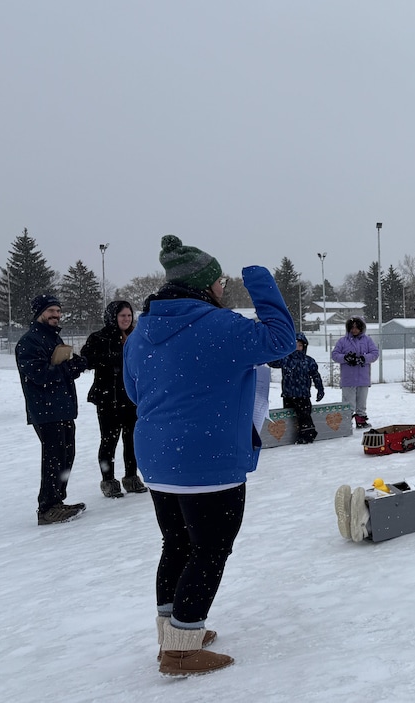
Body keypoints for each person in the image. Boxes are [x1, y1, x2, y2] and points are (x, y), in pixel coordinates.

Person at [124, 235, 295, 676]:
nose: (224, 288)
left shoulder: (142, 330)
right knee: (210, 549)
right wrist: (260, 281)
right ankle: (182, 650)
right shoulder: (221, 327)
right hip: (208, 461)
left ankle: (175, 631)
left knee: (176, 542)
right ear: (205, 284)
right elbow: (281, 341)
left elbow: (132, 391)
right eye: (220, 280)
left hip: (158, 459)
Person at [15, 295, 88, 525]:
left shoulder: (53, 338)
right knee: (54, 458)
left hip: (62, 408)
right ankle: (47, 507)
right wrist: (65, 369)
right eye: (51, 311)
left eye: (58, 311)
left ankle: (57, 501)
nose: (56, 315)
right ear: (39, 314)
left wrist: (76, 365)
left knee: (66, 456)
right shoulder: (30, 342)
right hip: (46, 410)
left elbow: (61, 369)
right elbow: (39, 374)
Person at [81, 300, 146, 498]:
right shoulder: (99, 337)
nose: (126, 319)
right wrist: (116, 356)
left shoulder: (137, 336)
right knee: (109, 440)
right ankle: (108, 480)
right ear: (112, 317)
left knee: (132, 439)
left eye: (128, 315)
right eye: (122, 315)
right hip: (107, 398)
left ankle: (131, 477)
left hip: (131, 397)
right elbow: (87, 360)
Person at [268, 333, 325, 444]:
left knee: (304, 416)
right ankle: (290, 435)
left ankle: (307, 435)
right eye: (294, 345)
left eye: (299, 345)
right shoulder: (285, 359)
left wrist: (320, 389)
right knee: (289, 416)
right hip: (288, 394)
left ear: (304, 346)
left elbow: (315, 375)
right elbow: (271, 362)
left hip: (303, 394)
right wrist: (272, 347)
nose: (297, 348)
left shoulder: (308, 361)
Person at [330, 316, 380, 429]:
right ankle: (346, 423)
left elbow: (375, 353)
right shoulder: (342, 341)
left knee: (361, 402)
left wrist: (363, 358)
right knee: (348, 403)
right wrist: (346, 358)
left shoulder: (367, 340)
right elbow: (335, 355)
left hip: (363, 378)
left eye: (357, 328)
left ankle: (361, 420)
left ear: (361, 328)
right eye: (352, 328)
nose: (354, 330)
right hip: (348, 378)